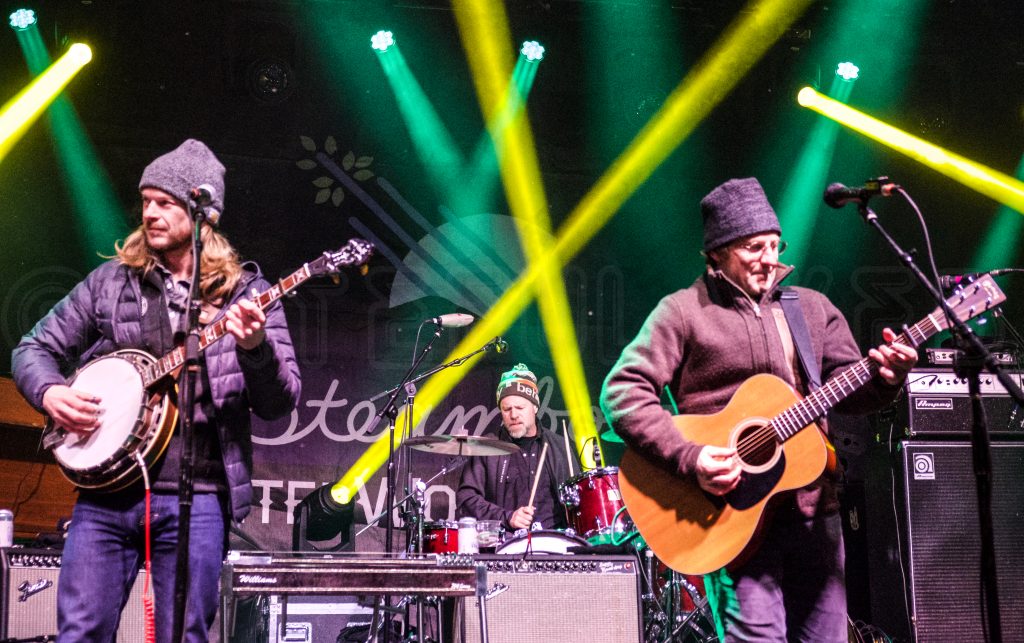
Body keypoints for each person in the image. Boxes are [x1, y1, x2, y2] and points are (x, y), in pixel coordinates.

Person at [600, 177, 917, 642]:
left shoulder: (812, 309)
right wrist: (692, 458)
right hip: (730, 519)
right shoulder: (683, 312)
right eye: (753, 247)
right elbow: (622, 393)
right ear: (717, 253)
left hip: (815, 515)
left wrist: (887, 378)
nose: (770, 259)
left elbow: (851, 390)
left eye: (774, 244)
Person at [12, 139, 302, 642]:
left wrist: (255, 347)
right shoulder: (112, 282)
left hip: (200, 497)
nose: (149, 213)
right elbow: (32, 348)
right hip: (105, 497)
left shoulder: (246, 295)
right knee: (80, 633)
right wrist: (51, 393)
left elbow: (281, 401)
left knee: (184, 635)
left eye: (164, 202)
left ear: (204, 215)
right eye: (146, 201)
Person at [456, 363, 576, 532]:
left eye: (520, 407)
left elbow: (578, 498)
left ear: (535, 407)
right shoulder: (487, 448)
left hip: (556, 540)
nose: (513, 415)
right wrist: (507, 517)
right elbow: (466, 498)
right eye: (506, 409)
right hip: (507, 541)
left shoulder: (559, 446)